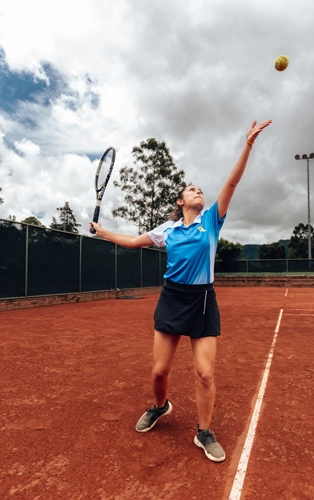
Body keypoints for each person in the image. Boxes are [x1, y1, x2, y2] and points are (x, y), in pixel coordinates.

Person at [89, 119, 272, 463]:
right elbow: (131, 242)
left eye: (200, 189)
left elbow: (232, 182)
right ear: (180, 200)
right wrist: (102, 232)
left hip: (203, 301)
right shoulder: (168, 230)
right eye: (192, 189)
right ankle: (160, 407)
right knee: (160, 371)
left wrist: (247, 145)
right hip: (172, 299)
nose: (198, 191)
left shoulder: (212, 220)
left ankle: (203, 431)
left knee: (205, 372)